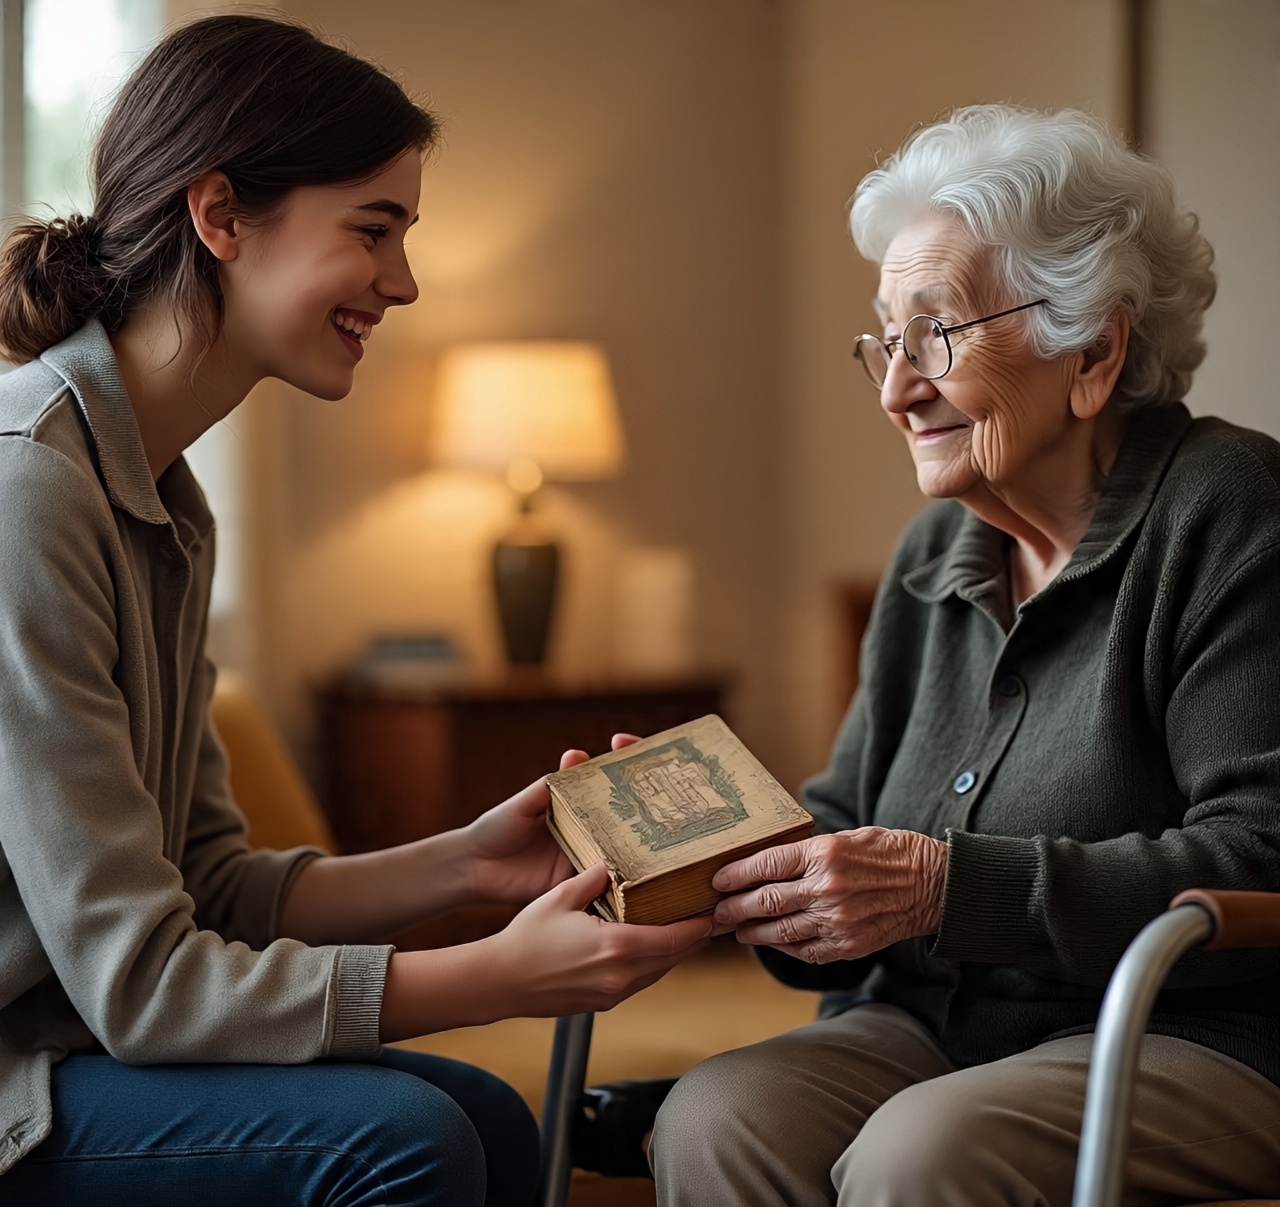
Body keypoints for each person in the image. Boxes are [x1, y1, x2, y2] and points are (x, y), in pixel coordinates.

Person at [0, 15, 712, 1207]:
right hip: (24, 1074)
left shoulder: (163, 503)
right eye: (372, 230)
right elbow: (144, 983)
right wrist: (496, 977)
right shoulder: (29, 491)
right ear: (221, 216)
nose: (403, 281)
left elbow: (210, 881)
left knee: (482, 1115)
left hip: (84, 1042)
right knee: (406, 1139)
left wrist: (467, 865)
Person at [650, 105, 1280, 1207]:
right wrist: (715, 867)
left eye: (933, 335)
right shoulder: (934, 552)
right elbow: (844, 815)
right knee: (717, 1111)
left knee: (923, 1146)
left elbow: (1258, 856)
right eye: (883, 342)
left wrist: (948, 890)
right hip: (930, 1026)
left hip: (1193, 1032)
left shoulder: (1228, 513)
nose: (895, 390)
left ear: (1092, 348)